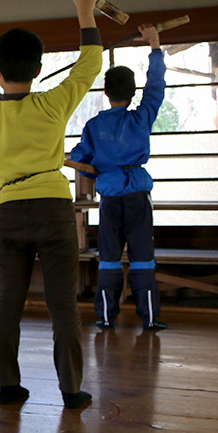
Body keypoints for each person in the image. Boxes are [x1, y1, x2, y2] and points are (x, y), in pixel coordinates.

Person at [0, 0, 104, 410]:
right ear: (37, 70)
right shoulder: (53, 103)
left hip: (11, 212)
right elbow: (90, 64)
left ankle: (8, 387)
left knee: (7, 303)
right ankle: (72, 392)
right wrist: (84, 11)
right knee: (63, 308)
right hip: (54, 211)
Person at [70, 23, 167, 331]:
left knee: (110, 256)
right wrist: (155, 48)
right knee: (142, 256)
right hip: (138, 195)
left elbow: (78, 157)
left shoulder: (94, 126)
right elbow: (156, 89)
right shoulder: (141, 118)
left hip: (110, 196)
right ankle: (149, 318)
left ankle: (106, 317)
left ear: (105, 92)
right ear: (133, 92)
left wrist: (92, 162)